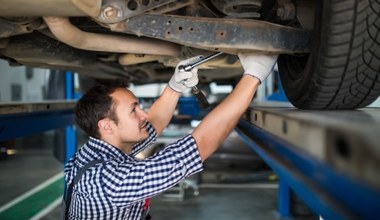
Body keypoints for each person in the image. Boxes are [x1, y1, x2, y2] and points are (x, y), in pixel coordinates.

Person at [64, 53, 278, 219]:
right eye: (133, 110)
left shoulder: (100, 148)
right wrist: (254, 75)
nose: (144, 114)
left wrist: (175, 87)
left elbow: (153, 124)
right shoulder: (110, 181)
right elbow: (200, 145)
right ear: (107, 125)